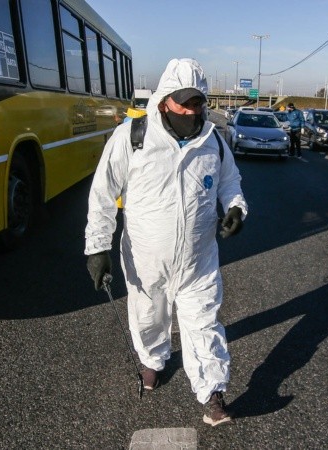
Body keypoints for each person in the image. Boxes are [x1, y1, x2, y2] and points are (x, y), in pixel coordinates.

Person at [84, 58, 248, 427]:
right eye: (183, 102)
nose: (191, 110)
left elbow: (230, 182)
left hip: (198, 258)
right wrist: (97, 248)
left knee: (204, 322)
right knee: (148, 316)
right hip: (145, 257)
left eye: (197, 102)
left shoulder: (213, 142)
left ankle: (212, 393)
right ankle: (152, 360)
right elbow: (102, 194)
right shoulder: (132, 137)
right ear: (164, 100)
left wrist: (236, 208)